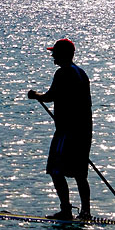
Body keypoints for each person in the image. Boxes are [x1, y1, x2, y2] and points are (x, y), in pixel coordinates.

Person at [28, 38, 92, 220]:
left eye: (54, 52)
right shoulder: (81, 73)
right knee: (80, 174)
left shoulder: (63, 73)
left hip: (67, 132)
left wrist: (35, 96)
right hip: (84, 132)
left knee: (55, 170)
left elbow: (50, 96)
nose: (52, 55)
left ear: (62, 54)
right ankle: (85, 212)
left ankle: (66, 210)